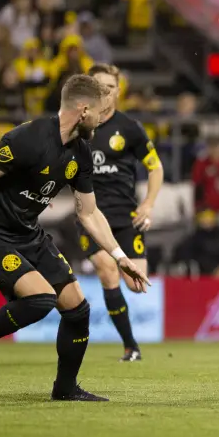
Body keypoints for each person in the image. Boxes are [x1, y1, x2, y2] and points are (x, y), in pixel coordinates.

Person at [0, 74, 150, 401]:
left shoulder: (80, 154)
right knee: (41, 299)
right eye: (98, 112)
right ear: (82, 110)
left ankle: (65, 389)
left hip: (27, 233)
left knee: (77, 308)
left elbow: (89, 213)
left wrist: (120, 258)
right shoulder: (30, 138)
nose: (102, 119)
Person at [75, 63, 163, 362]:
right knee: (108, 269)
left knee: (137, 285)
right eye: (98, 88)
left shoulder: (129, 128)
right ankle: (130, 346)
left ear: (118, 91)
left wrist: (148, 204)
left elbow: (155, 168)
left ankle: (130, 344)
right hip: (90, 215)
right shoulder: (77, 127)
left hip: (126, 217)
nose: (105, 94)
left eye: (109, 88)